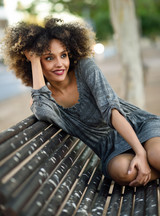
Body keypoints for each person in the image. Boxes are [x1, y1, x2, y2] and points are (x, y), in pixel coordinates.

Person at [3, 17, 160, 187]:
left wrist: (140, 153)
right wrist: (33, 59)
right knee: (125, 172)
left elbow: (111, 110)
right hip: (109, 149)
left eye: (63, 55)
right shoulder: (45, 101)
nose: (59, 64)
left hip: (137, 126)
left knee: (156, 155)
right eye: (49, 58)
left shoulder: (85, 68)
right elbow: (42, 110)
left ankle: (150, 161)